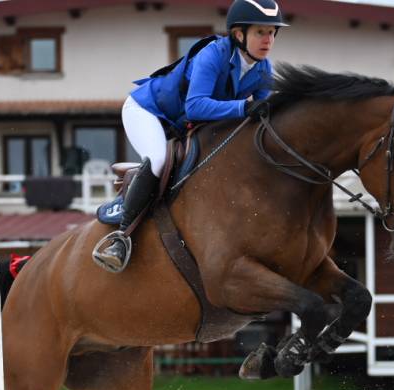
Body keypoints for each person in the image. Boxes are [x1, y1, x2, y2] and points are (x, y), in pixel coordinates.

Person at [92, 0, 288, 273]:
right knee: (158, 160)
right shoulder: (214, 55)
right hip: (149, 112)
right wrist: (244, 106)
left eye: (272, 33)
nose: (268, 40)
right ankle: (121, 238)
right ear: (239, 34)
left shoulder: (263, 70)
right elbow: (195, 106)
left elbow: (264, 118)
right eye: (260, 32)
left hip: (182, 124)